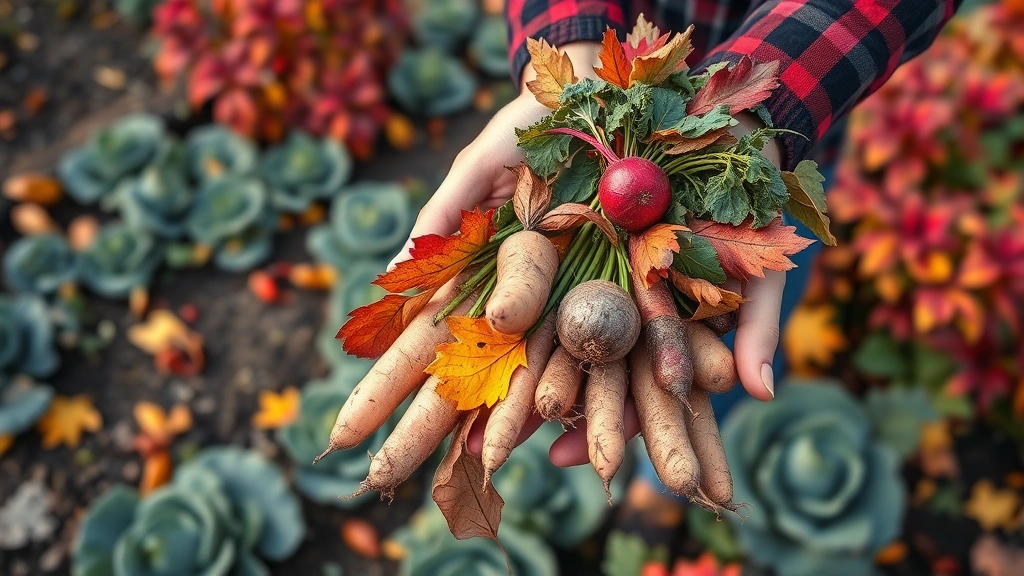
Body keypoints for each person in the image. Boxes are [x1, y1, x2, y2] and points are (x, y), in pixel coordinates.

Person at [390, 0, 963, 542]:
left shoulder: (739, 163)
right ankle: (656, 479)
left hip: (772, 138)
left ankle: (663, 486)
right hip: (610, 85)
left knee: (725, 348)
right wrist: (578, 51)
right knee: (697, 357)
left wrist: (741, 121)